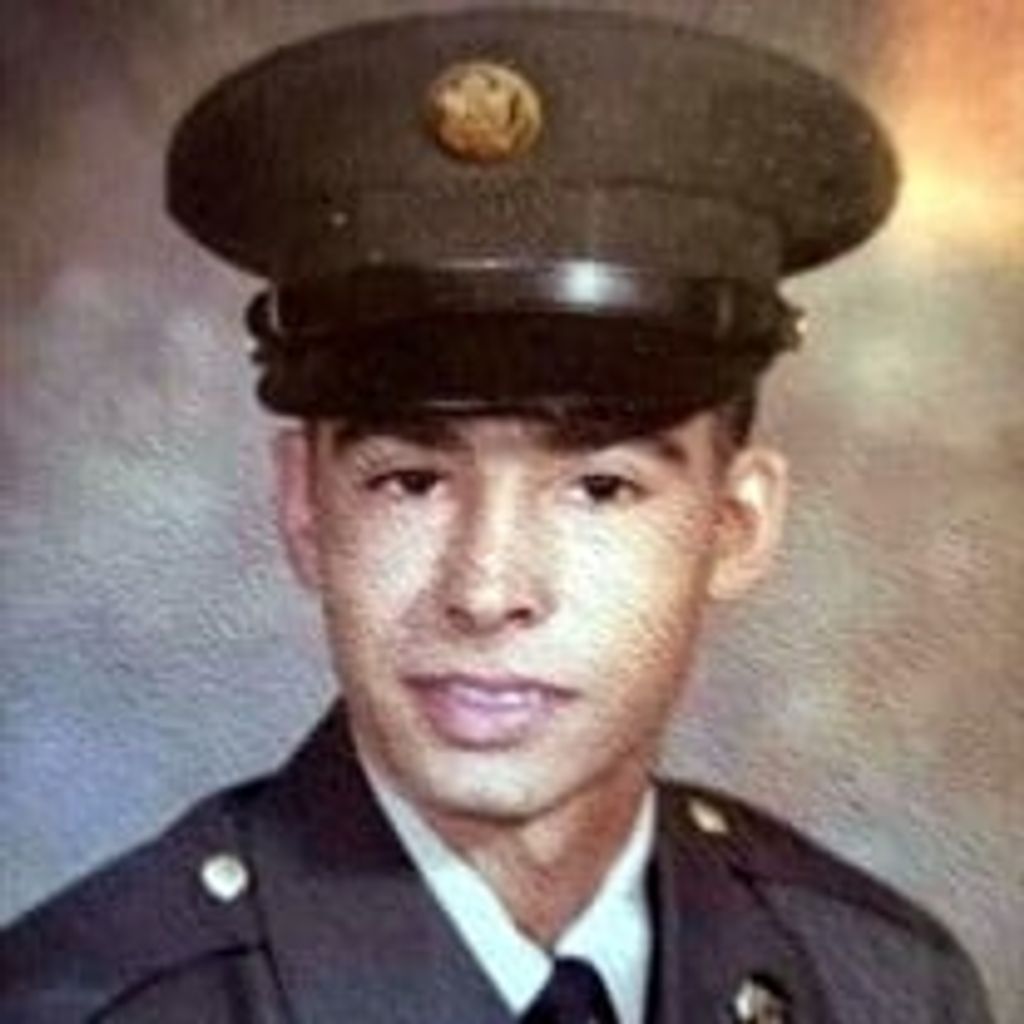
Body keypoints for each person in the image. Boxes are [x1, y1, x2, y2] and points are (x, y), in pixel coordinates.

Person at [0, 8, 995, 1023]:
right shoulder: (74, 1006)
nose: (485, 590)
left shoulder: (886, 987)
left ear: (735, 527)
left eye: (599, 488)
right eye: (411, 481)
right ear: (303, 506)